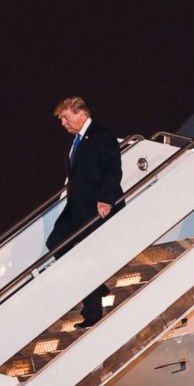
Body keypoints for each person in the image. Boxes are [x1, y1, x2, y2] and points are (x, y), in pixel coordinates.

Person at [46, 96, 123, 328]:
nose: (63, 124)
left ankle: (92, 313)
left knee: (87, 256)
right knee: (56, 242)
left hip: (94, 205)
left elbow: (113, 169)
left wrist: (106, 199)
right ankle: (97, 287)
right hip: (76, 206)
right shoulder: (76, 141)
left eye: (66, 118)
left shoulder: (101, 135)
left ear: (81, 114)